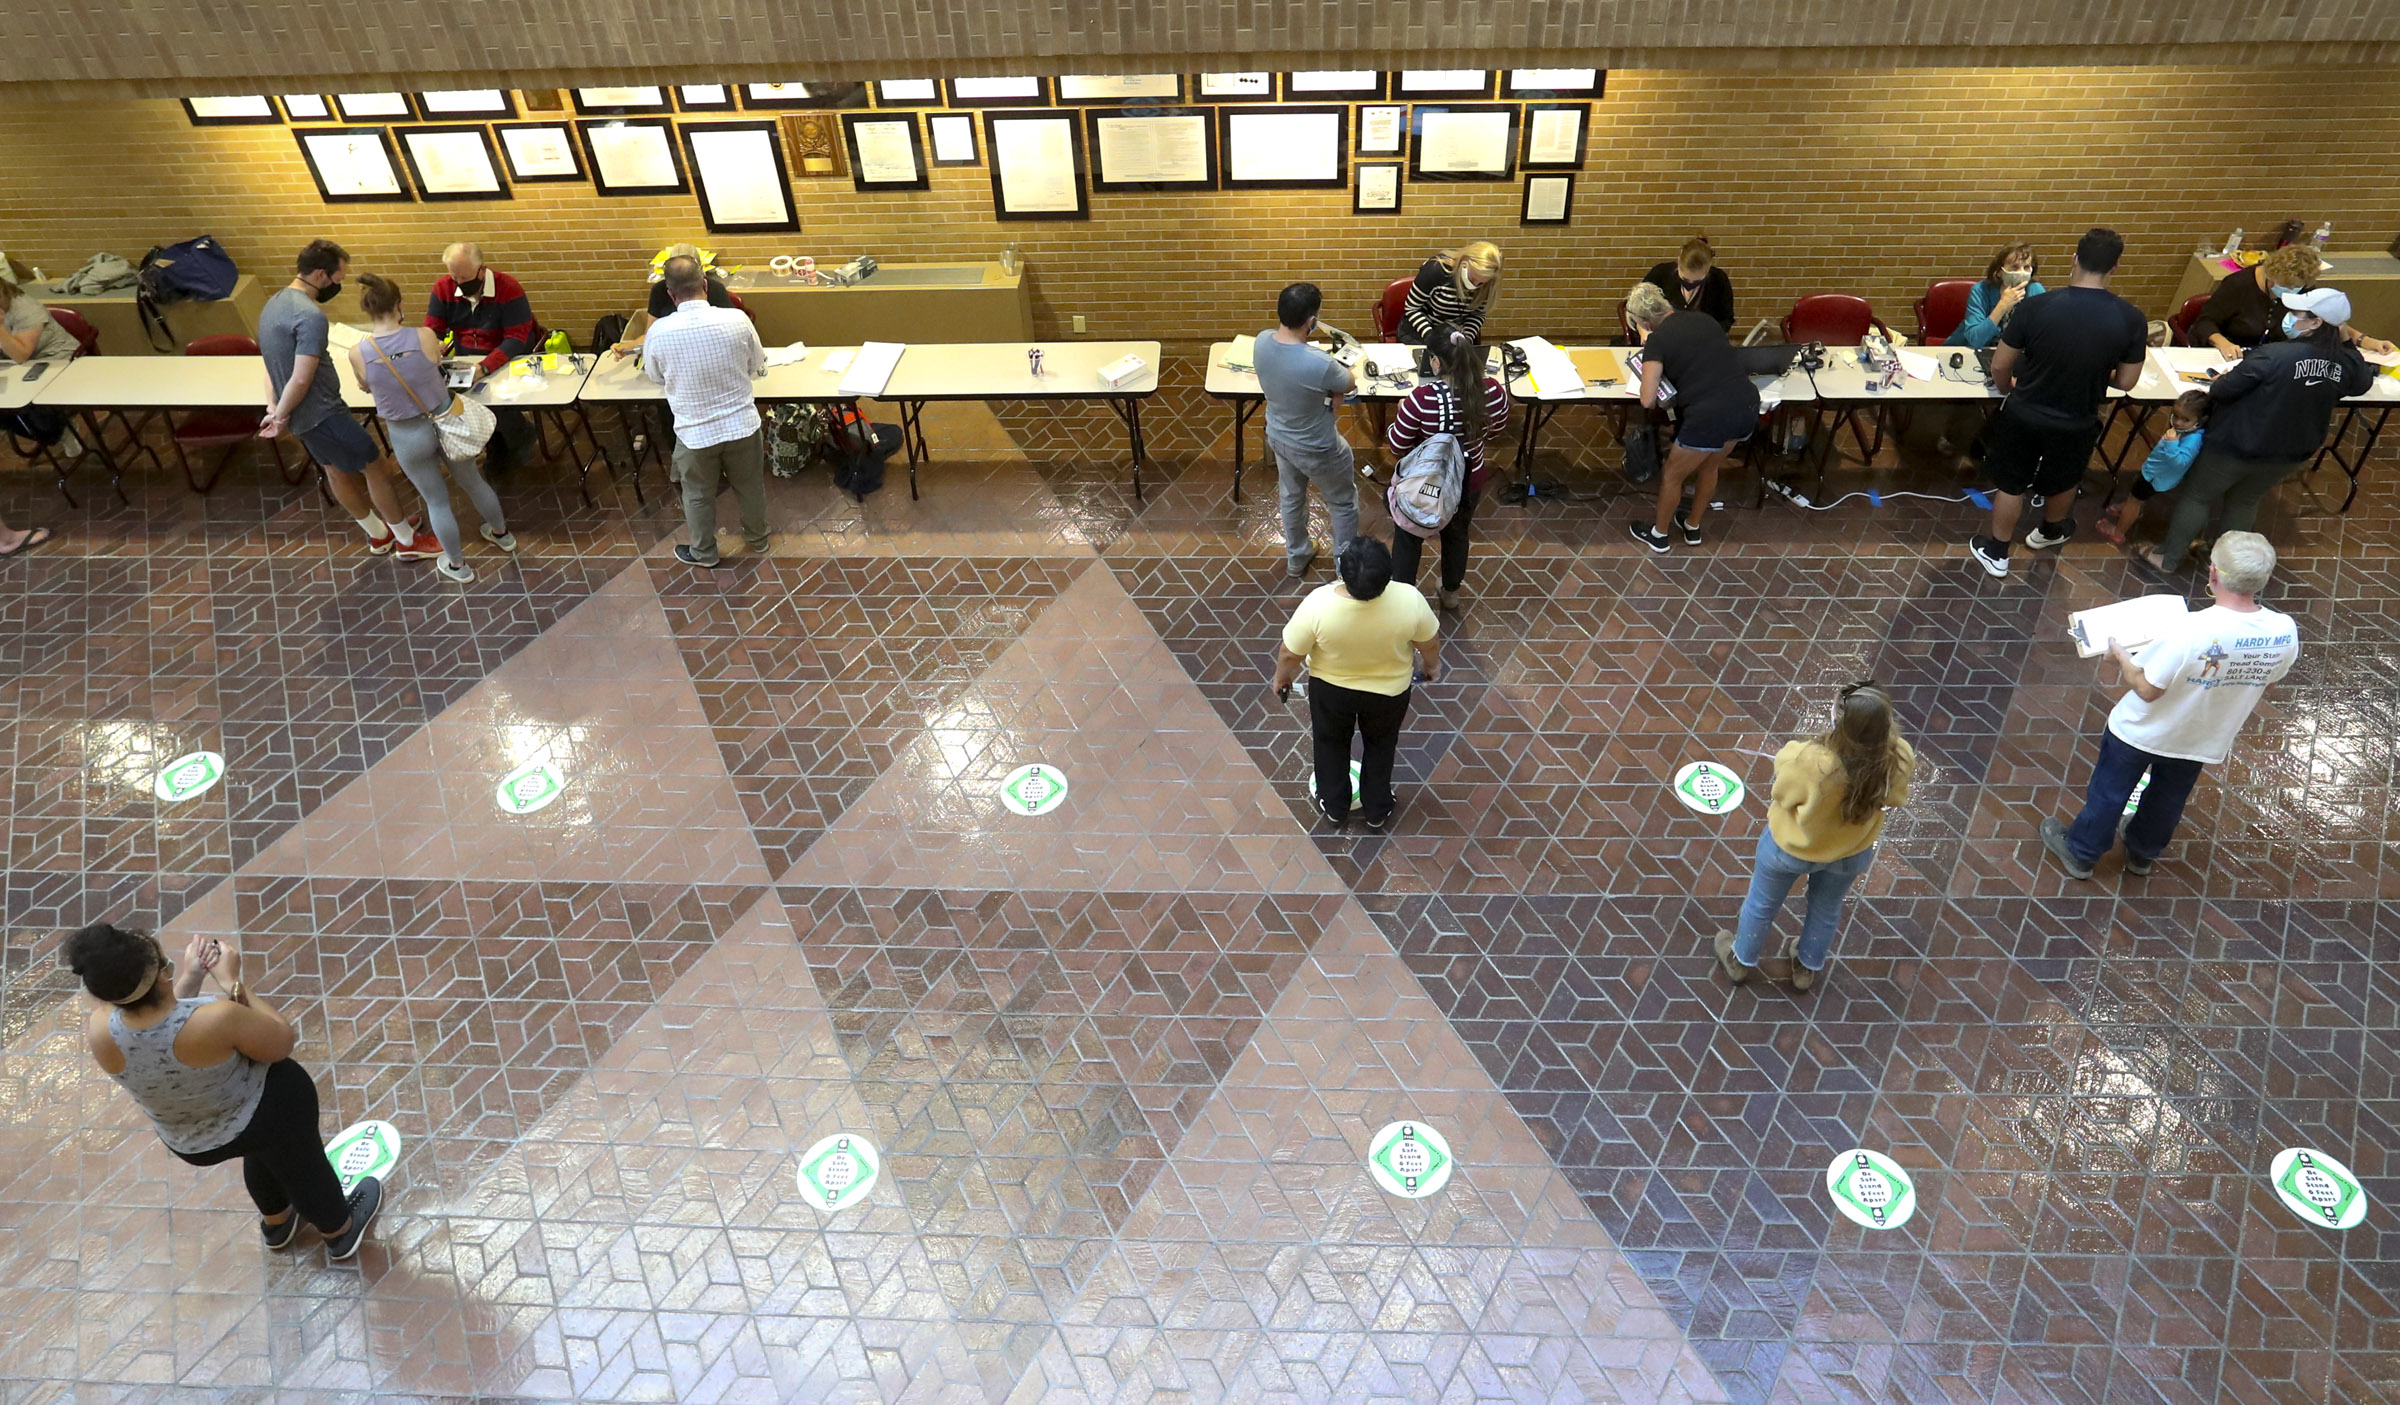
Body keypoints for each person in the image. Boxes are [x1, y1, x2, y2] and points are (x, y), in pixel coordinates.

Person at [64, 921, 384, 1260]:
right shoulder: (215, 1018)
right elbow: (280, 1041)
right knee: (301, 1163)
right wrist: (232, 981)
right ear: (161, 974)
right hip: (258, 1115)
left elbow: (161, 1026)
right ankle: (340, 1231)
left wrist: (191, 977)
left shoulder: (100, 1029)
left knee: (264, 1150)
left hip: (193, 1139)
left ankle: (277, 1223)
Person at [2040, 532, 2297, 879]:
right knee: (2168, 797)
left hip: (2141, 732)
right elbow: (2268, 682)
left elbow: (2147, 689)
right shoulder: (2284, 630)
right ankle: (2142, 853)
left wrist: (2121, 656)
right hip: (2203, 736)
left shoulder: (2190, 630)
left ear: (2214, 574)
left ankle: (2081, 853)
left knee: (2110, 793)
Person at [1966, 227, 2148, 578]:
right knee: (2064, 478)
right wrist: (2094, 374)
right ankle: (2048, 532)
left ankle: (1998, 552)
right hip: (2078, 418)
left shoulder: (2036, 306)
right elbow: (2126, 381)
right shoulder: (2131, 318)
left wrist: (2008, 390)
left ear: (2075, 259)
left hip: (2025, 412)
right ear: (2115, 268)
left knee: (2012, 482)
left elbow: (2001, 364)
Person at [2149, 287, 2375, 570]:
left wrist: (2223, 379)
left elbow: (2222, 389)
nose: (2289, 317)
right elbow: (2362, 383)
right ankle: (2222, 565)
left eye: (2297, 314)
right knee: (2244, 503)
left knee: (2198, 496)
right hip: (2290, 452)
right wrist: (2346, 342)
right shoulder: (2344, 362)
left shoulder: (2273, 355)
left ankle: (2167, 558)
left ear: (2316, 322)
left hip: (2237, 444)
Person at [1714, 681, 1914, 991]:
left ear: (1841, 724)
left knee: (1762, 903)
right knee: (1826, 908)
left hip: (1790, 849)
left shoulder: (1814, 761)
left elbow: (1783, 793)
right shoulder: (1899, 757)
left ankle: (1740, 961)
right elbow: (1895, 799)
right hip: (1849, 853)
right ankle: (1805, 968)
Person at [257, 240, 429, 559]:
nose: (339, 284)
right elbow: (301, 376)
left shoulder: (274, 303)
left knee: (334, 470)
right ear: (322, 274)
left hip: (302, 418)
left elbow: (270, 364)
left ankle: (379, 535)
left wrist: (275, 407)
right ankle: (406, 540)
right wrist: (279, 415)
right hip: (325, 413)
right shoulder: (309, 315)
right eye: (339, 278)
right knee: (376, 468)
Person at [346, 273, 517, 584]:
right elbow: (436, 361)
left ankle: (458, 565)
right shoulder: (424, 336)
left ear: (366, 310)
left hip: (406, 433)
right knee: (474, 483)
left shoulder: (358, 353)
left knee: (436, 500)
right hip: (446, 420)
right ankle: (501, 534)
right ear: (399, 304)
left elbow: (365, 385)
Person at [1273, 537, 1441, 832]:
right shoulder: (1409, 599)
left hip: (1331, 692)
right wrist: (1430, 667)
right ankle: (1377, 809)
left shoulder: (1318, 604)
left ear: (1343, 573)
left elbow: (1290, 652)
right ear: (1387, 575)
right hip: (1389, 694)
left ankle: (1335, 806)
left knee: (1330, 744)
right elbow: (1428, 642)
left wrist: (1282, 678)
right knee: (1381, 745)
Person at [644, 254, 770, 567]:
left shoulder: (658, 332)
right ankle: (758, 540)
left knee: (698, 495)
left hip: (694, 433)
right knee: (750, 486)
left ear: (670, 294)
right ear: (704, 285)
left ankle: (704, 553)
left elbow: (655, 377)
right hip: (742, 424)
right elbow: (757, 364)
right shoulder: (737, 320)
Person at [1623, 281, 1758, 552]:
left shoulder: (1657, 340)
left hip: (1707, 415)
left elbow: (1648, 400)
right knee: (1710, 467)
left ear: (1644, 322)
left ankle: (1659, 535)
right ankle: (1692, 527)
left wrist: (1648, 345)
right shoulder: (1705, 320)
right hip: (1745, 406)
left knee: (1673, 475)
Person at [1386, 324, 1510, 607]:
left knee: (1408, 535)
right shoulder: (1492, 391)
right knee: (1456, 535)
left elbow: (1397, 445)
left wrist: (1400, 413)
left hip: (1424, 485)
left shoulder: (1420, 399)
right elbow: (1498, 428)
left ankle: (1403, 599)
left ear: (1435, 362)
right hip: (1469, 479)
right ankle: (1451, 592)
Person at [1252, 282, 1359, 579]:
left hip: (1279, 436)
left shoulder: (1260, 341)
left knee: (1291, 495)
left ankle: (1297, 557)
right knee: (1342, 502)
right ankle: (1345, 569)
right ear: (1312, 322)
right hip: (1319, 447)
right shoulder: (1321, 364)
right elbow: (1348, 383)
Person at [424, 243, 543, 477]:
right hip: (466, 356)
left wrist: (485, 366)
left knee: (493, 396)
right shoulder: (443, 288)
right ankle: (495, 439)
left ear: (482, 270)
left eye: (464, 277)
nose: (458, 283)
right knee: (455, 396)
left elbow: (517, 337)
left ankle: (510, 438)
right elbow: (432, 328)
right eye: (453, 276)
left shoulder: (508, 287)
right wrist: (432, 343)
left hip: (507, 354)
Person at [2189, 244, 2396, 359]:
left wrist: (2368, 342)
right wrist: (2223, 343)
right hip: (2229, 356)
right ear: (2270, 274)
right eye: (2284, 286)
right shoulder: (2238, 285)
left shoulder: (2302, 288)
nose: (2290, 292)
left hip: (2273, 360)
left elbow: (2329, 320)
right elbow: (2205, 322)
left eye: (2295, 287)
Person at [2097, 390, 2207, 548]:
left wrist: (2171, 444)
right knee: (2136, 494)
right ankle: (2129, 510)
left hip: (2156, 477)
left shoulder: (2193, 439)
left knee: (2135, 499)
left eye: (2185, 419)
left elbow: (2181, 462)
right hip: (2154, 472)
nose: (2177, 422)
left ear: (2200, 420)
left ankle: (2118, 532)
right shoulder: (2187, 431)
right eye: (2175, 416)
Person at [0, 274, 85, 456]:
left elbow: (21, 355)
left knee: (41, 414)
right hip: (15, 364)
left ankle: (60, 431)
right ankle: (54, 432)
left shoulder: (24, 308)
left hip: (56, 359)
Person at [610, 243, 737, 357]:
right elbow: (651, 335)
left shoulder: (716, 289)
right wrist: (630, 346)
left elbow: (731, 332)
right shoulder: (659, 290)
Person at [1399, 241, 1502, 346]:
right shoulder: (1435, 270)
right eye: (1473, 278)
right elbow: (1412, 308)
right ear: (1464, 264)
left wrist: (1466, 338)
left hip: (1452, 334)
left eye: (1481, 283)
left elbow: (1477, 315)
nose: (1475, 285)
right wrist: (1431, 337)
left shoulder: (1488, 283)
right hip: (1420, 331)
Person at [1947, 242, 2045, 349]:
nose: (2021, 272)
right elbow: (1975, 340)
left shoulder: (2036, 290)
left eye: (2026, 267)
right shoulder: (1980, 290)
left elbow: (2044, 332)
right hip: (1977, 349)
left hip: (2014, 353)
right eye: (2015, 267)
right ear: (1999, 271)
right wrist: (2002, 306)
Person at [1642, 237, 1734, 333]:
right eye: (1685, 279)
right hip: (1661, 336)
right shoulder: (1660, 274)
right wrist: (1643, 330)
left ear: (1708, 271)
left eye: (1697, 281)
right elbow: (1637, 307)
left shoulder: (1719, 280)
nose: (1690, 284)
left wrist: (1710, 333)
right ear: (1678, 263)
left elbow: (1726, 319)